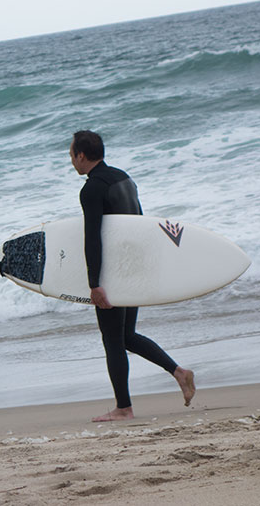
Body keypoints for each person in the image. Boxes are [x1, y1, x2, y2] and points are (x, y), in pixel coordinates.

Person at [70, 130, 196, 422]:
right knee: (126, 336)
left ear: (81, 155)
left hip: (115, 271)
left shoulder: (92, 189)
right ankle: (179, 373)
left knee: (113, 339)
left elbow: (93, 238)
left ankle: (123, 408)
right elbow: (140, 224)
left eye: (72, 155)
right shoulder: (123, 178)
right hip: (135, 264)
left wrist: (94, 283)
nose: (72, 161)